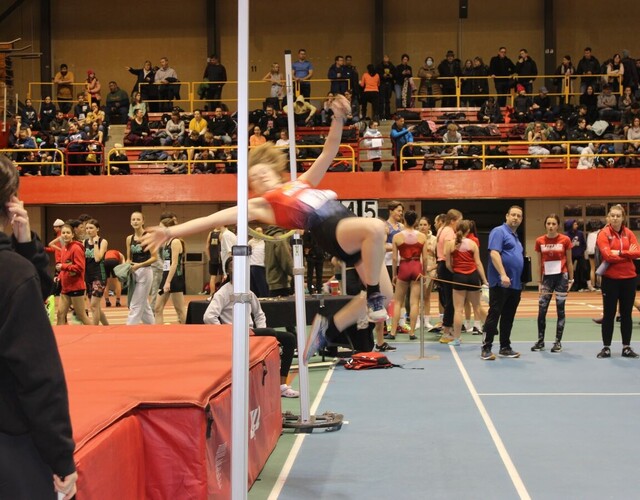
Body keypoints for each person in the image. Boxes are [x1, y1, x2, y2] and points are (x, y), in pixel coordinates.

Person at [140, 95, 391, 364]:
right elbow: (215, 218)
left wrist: (339, 118)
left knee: (387, 294)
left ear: (275, 170)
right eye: (255, 178)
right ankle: (373, 294)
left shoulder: (301, 182)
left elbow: (328, 151)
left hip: (348, 228)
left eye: (264, 173)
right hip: (330, 228)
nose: (261, 178)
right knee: (376, 227)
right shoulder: (261, 204)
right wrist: (171, 231)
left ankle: (329, 328)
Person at [0, 157, 78, 500]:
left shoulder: (17, 271)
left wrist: (25, 247)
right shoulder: (13, 275)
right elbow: (38, 377)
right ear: (11, 202)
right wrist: (61, 458)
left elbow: (40, 288)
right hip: (11, 443)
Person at [204, 258, 299, 398]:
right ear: (228, 271)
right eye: (233, 266)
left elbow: (259, 314)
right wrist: (225, 333)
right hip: (235, 335)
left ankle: (281, 385)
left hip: (253, 333)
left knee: (289, 339)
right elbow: (209, 316)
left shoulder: (248, 292)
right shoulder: (223, 293)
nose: (237, 268)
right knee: (271, 332)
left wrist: (264, 336)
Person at [595, 204, 640, 359]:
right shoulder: (603, 233)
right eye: (612, 215)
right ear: (608, 217)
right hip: (610, 280)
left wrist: (620, 252)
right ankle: (606, 347)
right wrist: (627, 255)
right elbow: (607, 256)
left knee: (626, 314)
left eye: (618, 216)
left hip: (629, 279)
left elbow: (637, 252)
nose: (615, 218)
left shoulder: (629, 233)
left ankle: (626, 347)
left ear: (623, 218)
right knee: (609, 314)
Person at [481, 206, 525, 360]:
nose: (516, 218)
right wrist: (503, 274)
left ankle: (505, 347)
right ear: (507, 216)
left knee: (508, 317)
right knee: (494, 314)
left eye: (519, 216)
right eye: (513, 215)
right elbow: (494, 253)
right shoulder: (499, 231)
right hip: (501, 283)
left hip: (515, 285)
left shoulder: (516, 237)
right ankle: (486, 347)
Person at [531, 214, 574, 353]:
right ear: (545, 225)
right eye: (548, 223)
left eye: (553, 223)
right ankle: (540, 341)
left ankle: (557, 342)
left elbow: (569, 261)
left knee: (560, 310)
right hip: (547, 279)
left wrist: (571, 279)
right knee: (541, 310)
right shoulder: (539, 241)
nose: (551, 226)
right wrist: (539, 281)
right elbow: (539, 262)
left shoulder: (565, 240)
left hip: (562, 277)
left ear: (558, 225)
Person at [443, 219, 488, 346]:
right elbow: (478, 263)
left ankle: (457, 339)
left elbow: (448, 265)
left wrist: (457, 272)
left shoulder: (450, 244)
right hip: (473, 278)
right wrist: (484, 280)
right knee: (477, 306)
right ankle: (489, 332)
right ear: (468, 230)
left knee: (458, 310)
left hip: (458, 277)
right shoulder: (473, 244)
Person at [390, 210, 427, 341]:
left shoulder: (397, 237)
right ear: (416, 221)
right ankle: (412, 332)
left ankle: (393, 332)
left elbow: (394, 259)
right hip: (417, 266)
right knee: (414, 302)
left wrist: (394, 274)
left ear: (404, 220)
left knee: (398, 302)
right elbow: (426, 258)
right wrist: (424, 273)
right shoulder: (422, 237)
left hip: (404, 266)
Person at [56, 223, 91, 326]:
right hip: (65, 288)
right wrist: (59, 277)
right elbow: (64, 268)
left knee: (81, 316)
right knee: (60, 314)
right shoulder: (63, 249)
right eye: (63, 233)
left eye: (68, 233)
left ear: (72, 235)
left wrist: (63, 267)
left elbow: (80, 267)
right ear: (60, 235)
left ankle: (96, 333)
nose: (65, 235)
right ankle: (59, 339)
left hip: (76, 288)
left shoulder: (76, 248)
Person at [126, 211, 156, 325]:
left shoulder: (148, 237)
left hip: (145, 271)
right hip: (134, 271)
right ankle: (152, 327)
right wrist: (126, 265)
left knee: (135, 304)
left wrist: (140, 265)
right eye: (133, 219)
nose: (135, 222)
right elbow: (129, 258)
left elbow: (154, 257)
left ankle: (129, 328)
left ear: (143, 221)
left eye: (138, 219)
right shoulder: (129, 238)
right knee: (144, 306)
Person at [154, 218, 186, 324]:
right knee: (157, 308)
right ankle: (159, 333)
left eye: (161, 227)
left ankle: (188, 333)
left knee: (180, 310)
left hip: (175, 278)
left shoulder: (175, 241)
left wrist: (168, 282)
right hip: (166, 275)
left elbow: (174, 263)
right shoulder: (166, 242)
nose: (159, 229)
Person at [84, 218, 109, 325]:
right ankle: (107, 327)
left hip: (99, 276)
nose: (89, 230)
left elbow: (98, 258)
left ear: (97, 229)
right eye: (87, 228)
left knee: (93, 305)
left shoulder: (102, 242)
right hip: (88, 276)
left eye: (91, 228)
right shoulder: (84, 242)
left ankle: (94, 330)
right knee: (96, 306)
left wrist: (95, 243)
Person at [206, 226, 223, 294]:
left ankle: (212, 293)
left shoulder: (210, 233)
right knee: (222, 276)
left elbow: (207, 247)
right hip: (220, 259)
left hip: (212, 259)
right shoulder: (221, 234)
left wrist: (209, 257)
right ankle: (221, 293)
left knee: (213, 276)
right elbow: (223, 247)